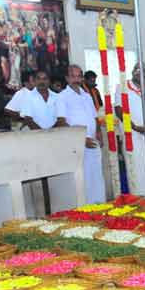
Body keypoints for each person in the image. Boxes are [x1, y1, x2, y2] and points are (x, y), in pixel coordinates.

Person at [55, 64, 105, 204]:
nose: (76, 79)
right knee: (84, 178)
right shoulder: (62, 97)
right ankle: (87, 209)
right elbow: (61, 121)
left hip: (93, 141)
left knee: (96, 175)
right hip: (78, 144)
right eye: (73, 76)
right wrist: (81, 139)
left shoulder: (87, 95)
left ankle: (100, 205)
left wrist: (99, 134)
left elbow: (94, 117)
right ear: (67, 78)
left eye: (79, 76)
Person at [115, 63, 145, 196]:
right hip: (132, 133)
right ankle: (138, 196)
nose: (140, 73)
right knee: (135, 165)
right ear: (132, 72)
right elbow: (118, 109)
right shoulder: (122, 86)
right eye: (137, 70)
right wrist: (133, 126)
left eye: (143, 72)